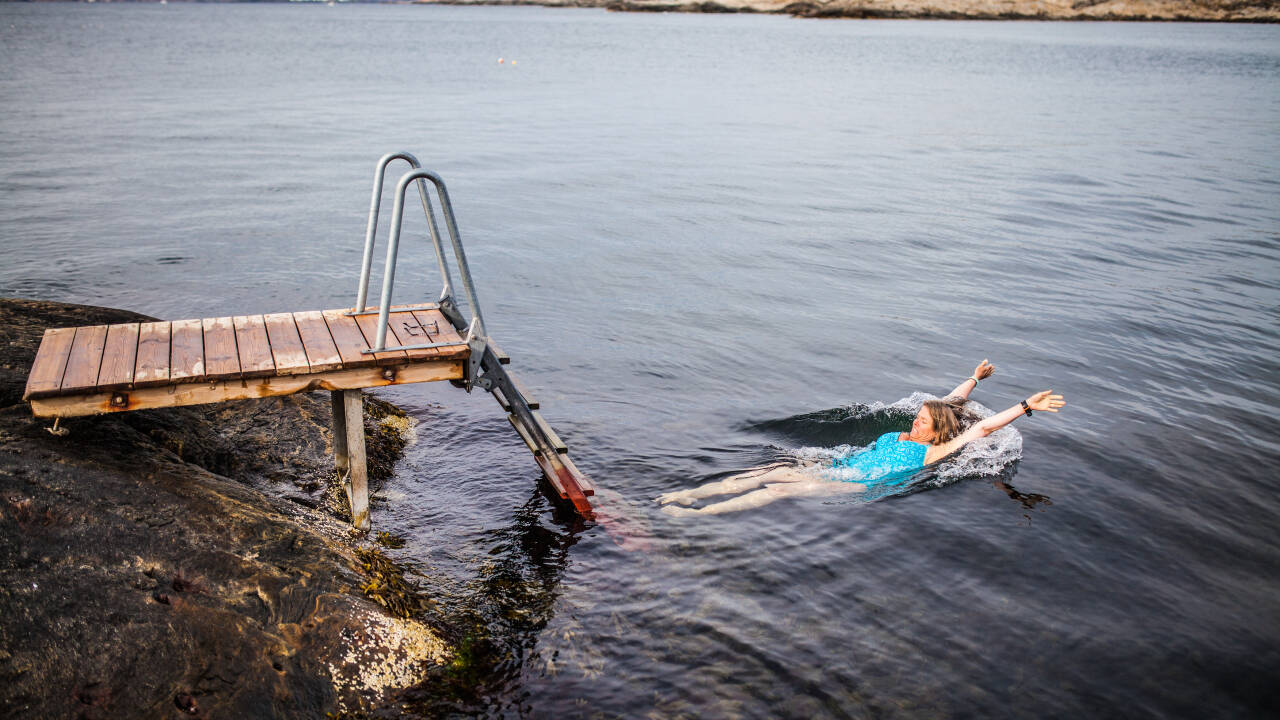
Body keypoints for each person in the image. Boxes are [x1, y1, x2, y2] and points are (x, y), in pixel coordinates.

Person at [658, 360, 1065, 516]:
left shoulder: (936, 452)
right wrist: (975, 378)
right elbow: (952, 403)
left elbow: (981, 428)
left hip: (852, 484)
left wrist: (1026, 406)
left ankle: (697, 515)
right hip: (838, 466)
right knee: (771, 469)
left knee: (780, 488)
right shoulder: (909, 431)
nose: (918, 422)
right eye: (919, 417)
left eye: (925, 421)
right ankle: (690, 495)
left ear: (938, 432)